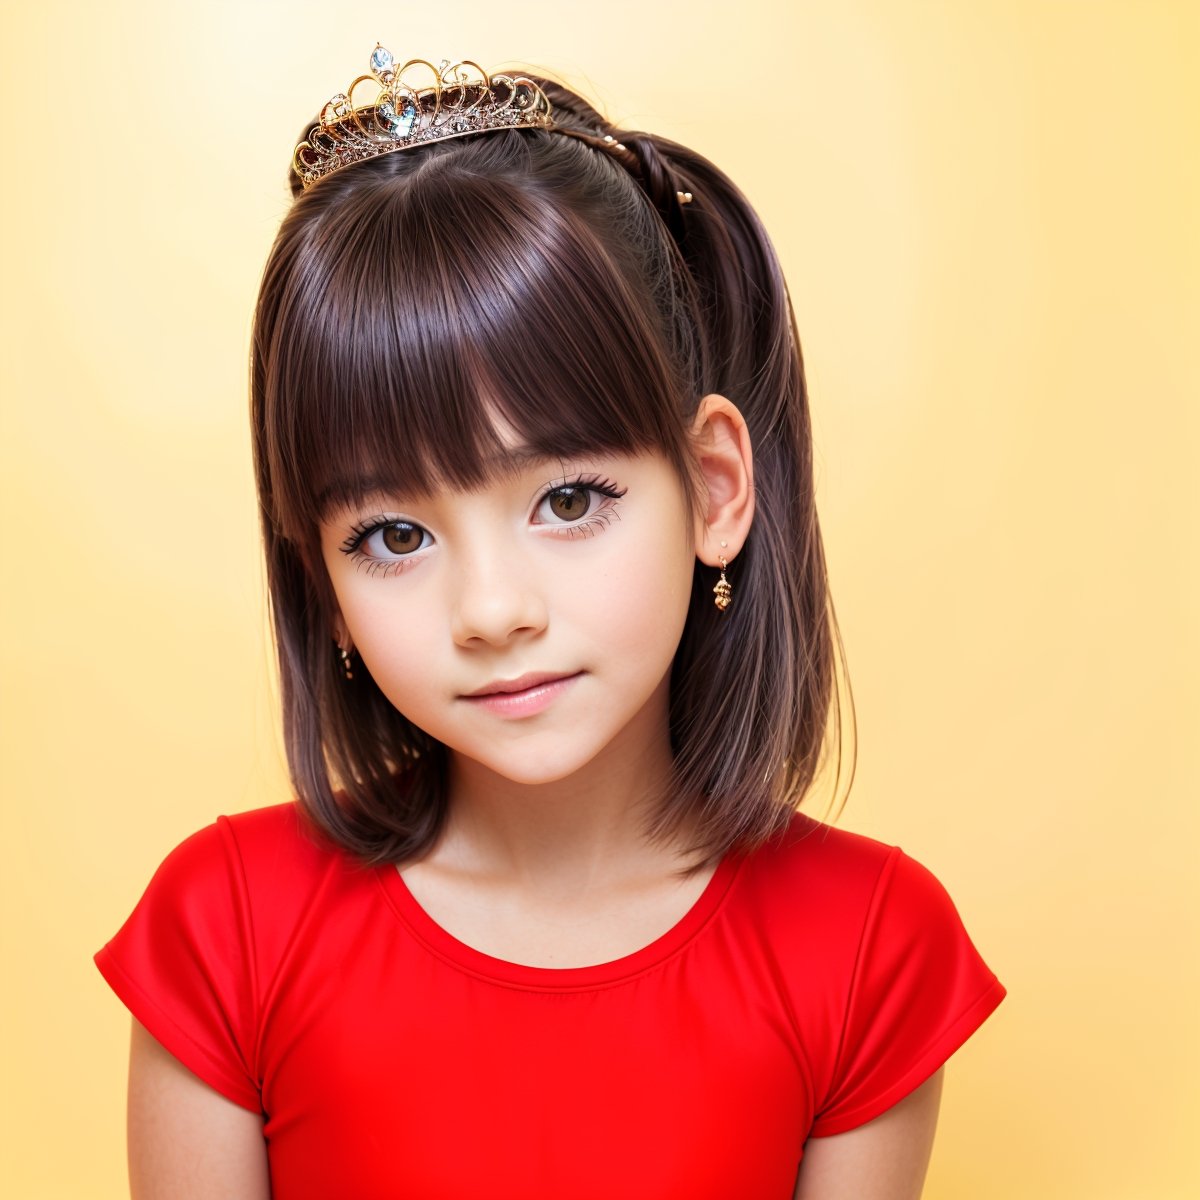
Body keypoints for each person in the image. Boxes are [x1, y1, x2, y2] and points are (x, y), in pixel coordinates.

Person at [95, 47, 1006, 1200]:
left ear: (715, 488)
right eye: (392, 535)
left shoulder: (870, 946)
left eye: (568, 501)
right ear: (321, 579)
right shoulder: (224, 930)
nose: (491, 610)